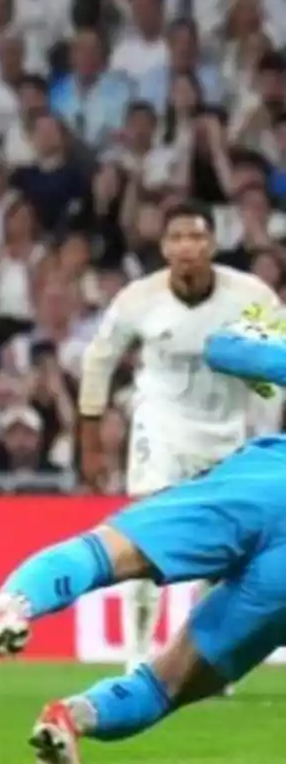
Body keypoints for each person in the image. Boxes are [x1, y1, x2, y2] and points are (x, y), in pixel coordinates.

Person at [0, 309, 286, 763]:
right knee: (169, 684)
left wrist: (253, 337)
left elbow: (222, 349)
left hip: (267, 488)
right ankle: (72, 717)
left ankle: (7, 609)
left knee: (104, 553)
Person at [76, 200, 278, 675]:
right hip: (160, 426)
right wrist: (89, 435)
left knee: (222, 554)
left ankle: (201, 658)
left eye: (197, 237)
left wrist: (265, 424)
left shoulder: (252, 297)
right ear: (165, 247)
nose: (188, 247)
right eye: (178, 238)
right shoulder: (137, 299)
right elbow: (99, 360)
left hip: (227, 429)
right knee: (146, 533)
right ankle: (137, 656)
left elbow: (276, 358)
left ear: (213, 245)